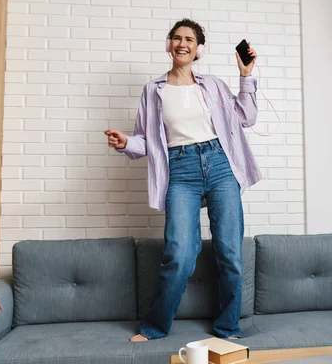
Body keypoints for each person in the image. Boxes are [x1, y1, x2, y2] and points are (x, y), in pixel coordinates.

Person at [105, 18, 262, 342]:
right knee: (179, 252)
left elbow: (246, 117)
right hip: (181, 170)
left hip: (220, 165)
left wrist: (245, 77)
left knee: (230, 252)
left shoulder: (214, 85)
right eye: (176, 38)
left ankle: (228, 328)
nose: (182, 44)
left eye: (189, 39)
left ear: (198, 48)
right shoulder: (153, 90)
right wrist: (126, 143)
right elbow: (147, 139)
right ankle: (155, 327)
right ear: (168, 44)